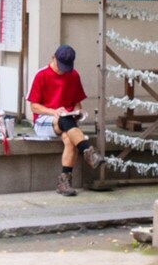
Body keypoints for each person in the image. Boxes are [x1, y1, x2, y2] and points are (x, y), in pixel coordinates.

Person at [27, 45, 102, 196]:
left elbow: (77, 103)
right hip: (44, 120)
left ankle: (64, 182)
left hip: (67, 121)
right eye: (60, 66)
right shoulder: (41, 75)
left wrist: (77, 112)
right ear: (53, 57)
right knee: (64, 121)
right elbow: (34, 107)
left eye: (66, 68)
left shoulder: (73, 75)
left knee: (69, 139)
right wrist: (53, 111)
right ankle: (87, 151)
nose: (62, 70)